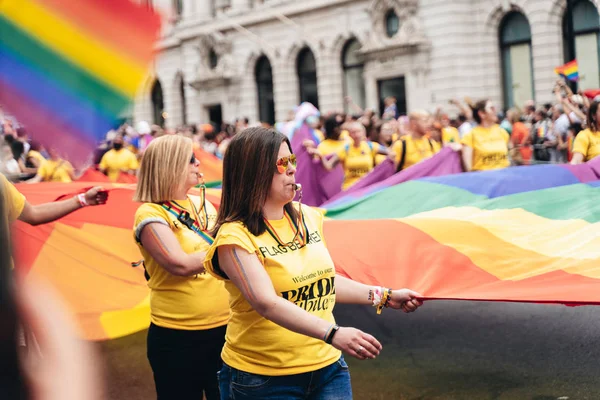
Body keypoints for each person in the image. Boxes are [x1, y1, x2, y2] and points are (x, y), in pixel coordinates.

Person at [204, 127, 422, 400]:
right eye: (282, 164)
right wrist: (333, 333)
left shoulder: (308, 216)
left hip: (327, 368)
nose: (293, 169)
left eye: (292, 160)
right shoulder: (233, 237)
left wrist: (384, 295)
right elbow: (265, 302)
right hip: (262, 378)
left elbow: (323, 281)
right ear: (254, 172)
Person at [132, 135, 230, 400]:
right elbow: (180, 264)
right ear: (170, 164)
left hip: (226, 330)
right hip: (177, 339)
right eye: (190, 159)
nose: (198, 162)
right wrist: (231, 250)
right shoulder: (150, 213)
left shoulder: (203, 202)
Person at [310, 121, 390, 190]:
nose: (356, 135)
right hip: (350, 189)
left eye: (358, 131)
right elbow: (329, 166)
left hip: (367, 188)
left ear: (364, 133)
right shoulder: (345, 149)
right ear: (349, 135)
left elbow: (391, 153)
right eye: (353, 132)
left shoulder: (371, 146)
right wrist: (320, 156)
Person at [461, 100, 511, 172]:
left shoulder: (502, 132)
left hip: (503, 178)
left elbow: (508, 158)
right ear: (482, 114)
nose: (495, 110)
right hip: (483, 179)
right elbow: (468, 168)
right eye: (491, 108)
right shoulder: (471, 136)